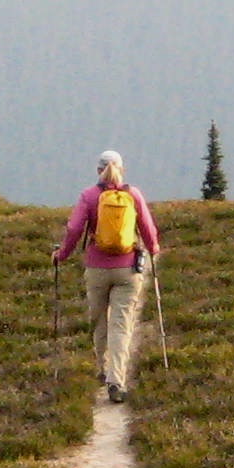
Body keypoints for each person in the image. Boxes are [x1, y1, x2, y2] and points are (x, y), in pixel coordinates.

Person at [53, 149, 161, 402]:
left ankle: (102, 369)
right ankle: (117, 380)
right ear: (121, 169)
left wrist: (62, 255)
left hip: (96, 268)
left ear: (97, 170)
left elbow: (74, 229)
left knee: (98, 320)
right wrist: (153, 249)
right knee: (121, 325)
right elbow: (147, 227)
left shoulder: (88, 196)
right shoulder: (133, 195)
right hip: (128, 269)